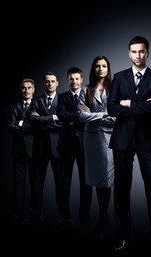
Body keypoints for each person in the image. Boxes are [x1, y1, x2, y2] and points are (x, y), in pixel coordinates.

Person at [107, 36, 151, 256]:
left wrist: (129, 103)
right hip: (123, 139)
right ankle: (123, 238)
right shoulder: (118, 77)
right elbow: (112, 108)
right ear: (128, 53)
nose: (138, 55)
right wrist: (142, 105)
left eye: (142, 51)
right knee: (121, 191)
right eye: (134, 51)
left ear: (148, 53)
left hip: (149, 139)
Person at [77, 56, 115, 238]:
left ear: (108, 68)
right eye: (98, 66)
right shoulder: (85, 90)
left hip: (108, 139)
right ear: (93, 69)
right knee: (93, 178)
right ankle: (102, 214)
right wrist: (105, 114)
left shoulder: (115, 89)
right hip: (91, 139)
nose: (101, 69)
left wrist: (95, 114)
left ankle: (102, 214)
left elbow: (119, 116)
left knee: (106, 179)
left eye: (104, 66)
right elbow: (81, 116)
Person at [56, 67, 92, 226]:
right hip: (66, 144)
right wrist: (81, 115)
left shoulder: (88, 96)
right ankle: (64, 216)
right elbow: (61, 115)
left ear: (82, 79)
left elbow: (92, 115)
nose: (74, 81)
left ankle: (84, 215)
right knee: (64, 182)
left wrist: (83, 116)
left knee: (86, 182)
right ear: (68, 80)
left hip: (85, 144)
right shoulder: (62, 97)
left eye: (77, 79)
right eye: (71, 79)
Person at [27, 71, 62, 224]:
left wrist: (42, 121)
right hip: (40, 148)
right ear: (43, 83)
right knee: (37, 183)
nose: (50, 84)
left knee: (61, 184)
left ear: (57, 83)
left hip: (58, 148)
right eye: (47, 81)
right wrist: (53, 118)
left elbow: (65, 121)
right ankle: (36, 213)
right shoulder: (37, 100)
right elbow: (32, 120)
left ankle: (63, 216)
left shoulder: (63, 100)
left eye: (52, 81)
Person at [8, 78, 36, 224]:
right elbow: (10, 126)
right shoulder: (15, 106)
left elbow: (38, 125)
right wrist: (28, 123)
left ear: (33, 89)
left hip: (34, 150)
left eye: (29, 88)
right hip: (18, 150)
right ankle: (18, 213)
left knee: (34, 184)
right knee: (18, 184)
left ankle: (32, 213)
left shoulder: (38, 105)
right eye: (24, 88)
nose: (26, 91)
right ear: (21, 90)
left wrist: (20, 123)